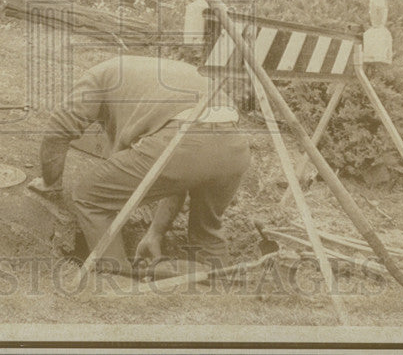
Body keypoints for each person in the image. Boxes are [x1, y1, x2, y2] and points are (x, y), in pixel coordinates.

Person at [27, 55, 251, 276]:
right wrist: (155, 233)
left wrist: (50, 183)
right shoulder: (152, 74)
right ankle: (217, 279)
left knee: (89, 196)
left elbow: (58, 130)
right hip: (234, 147)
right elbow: (178, 178)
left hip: (181, 139)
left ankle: (117, 274)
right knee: (206, 230)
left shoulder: (98, 77)